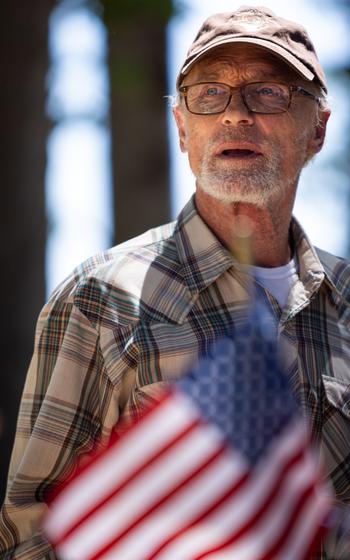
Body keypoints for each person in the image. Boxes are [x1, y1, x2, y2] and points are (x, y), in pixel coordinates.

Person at [1, 5, 349, 559]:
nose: (235, 115)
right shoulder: (100, 299)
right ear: (182, 129)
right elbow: (33, 535)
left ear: (318, 130)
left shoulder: (346, 300)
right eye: (209, 94)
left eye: (268, 92)